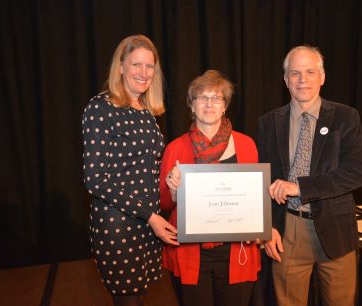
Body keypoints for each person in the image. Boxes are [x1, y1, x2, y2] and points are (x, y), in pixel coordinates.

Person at [257, 45, 362, 306]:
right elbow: (263, 179)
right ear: (286, 80)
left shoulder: (345, 117)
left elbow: (355, 173)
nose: (302, 79)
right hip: (287, 231)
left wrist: (300, 187)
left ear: (322, 77)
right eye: (295, 73)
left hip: (336, 230)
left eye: (309, 72)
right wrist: (267, 227)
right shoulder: (268, 123)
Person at [82, 34, 179, 306]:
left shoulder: (145, 110)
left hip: (148, 224)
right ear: (121, 66)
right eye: (136, 64)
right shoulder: (101, 108)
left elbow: (145, 165)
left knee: (139, 299)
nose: (143, 73)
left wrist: (170, 176)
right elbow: (95, 180)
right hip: (120, 224)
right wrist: (149, 216)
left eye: (150, 67)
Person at [160, 70, 261, 306]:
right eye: (201, 97)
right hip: (191, 252)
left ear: (225, 105)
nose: (209, 104)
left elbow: (255, 199)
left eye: (216, 98)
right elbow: (164, 204)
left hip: (237, 251)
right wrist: (174, 191)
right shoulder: (175, 149)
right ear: (191, 105)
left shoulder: (246, 145)